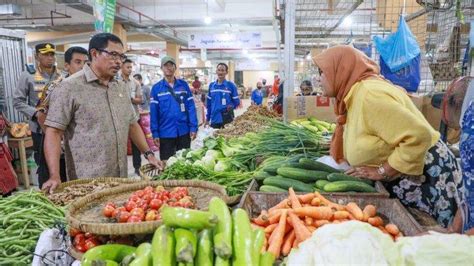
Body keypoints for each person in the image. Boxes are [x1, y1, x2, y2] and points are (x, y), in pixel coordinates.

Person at [313, 45, 464, 227]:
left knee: (442, 243)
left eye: (322, 72)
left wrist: (381, 171)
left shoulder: (370, 95)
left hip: (428, 177)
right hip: (409, 176)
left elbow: (418, 135)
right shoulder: (354, 94)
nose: (318, 79)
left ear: (340, 70)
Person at [42, 33, 162, 193]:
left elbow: (132, 124)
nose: (118, 61)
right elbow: (54, 132)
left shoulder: (119, 87)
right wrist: (54, 175)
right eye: (113, 55)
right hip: (88, 183)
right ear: (94, 53)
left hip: (120, 178)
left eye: (121, 56)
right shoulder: (69, 88)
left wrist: (149, 154)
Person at [35, 46, 88, 187]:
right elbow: (41, 115)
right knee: (58, 187)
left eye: (86, 63)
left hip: (82, 148)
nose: (83, 67)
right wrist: (58, 139)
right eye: (78, 62)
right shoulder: (56, 86)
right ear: (67, 65)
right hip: (60, 146)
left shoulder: (90, 88)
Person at [13, 43, 61, 186]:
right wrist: (36, 114)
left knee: (61, 165)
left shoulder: (60, 75)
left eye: (52, 54)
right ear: (36, 56)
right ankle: (47, 199)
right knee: (45, 167)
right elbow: (17, 101)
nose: (49, 57)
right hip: (40, 130)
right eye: (45, 54)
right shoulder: (28, 75)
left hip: (60, 129)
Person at [150, 56, 198, 161]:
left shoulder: (184, 85)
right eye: (165, 65)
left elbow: (190, 107)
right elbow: (154, 113)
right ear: (161, 68)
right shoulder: (156, 88)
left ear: (175, 67)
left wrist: (193, 127)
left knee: (185, 161)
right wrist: (155, 133)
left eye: (171, 65)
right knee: (167, 163)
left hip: (183, 131)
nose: (168, 68)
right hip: (165, 132)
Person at [119, 59, 143, 176]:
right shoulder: (115, 81)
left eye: (130, 67)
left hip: (134, 117)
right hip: (119, 119)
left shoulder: (135, 83)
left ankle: (137, 167)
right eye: (127, 67)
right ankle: (120, 170)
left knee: (136, 145)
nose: (129, 69)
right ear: (121, 67)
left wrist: (131, 100)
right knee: (121, 145)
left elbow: (140, 99)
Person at [206, 63, 240, 128]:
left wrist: (230, 107)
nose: (220, 72)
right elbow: (209, 104)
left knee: (228, 137)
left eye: (222, 70)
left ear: (226, 72)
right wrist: (207, 119)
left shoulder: (231, 86)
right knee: (215, 137)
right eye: (219, 70)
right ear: (216, 71)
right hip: (214, 119)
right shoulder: (212, 86)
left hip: (227, 118)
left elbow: (237, 102)